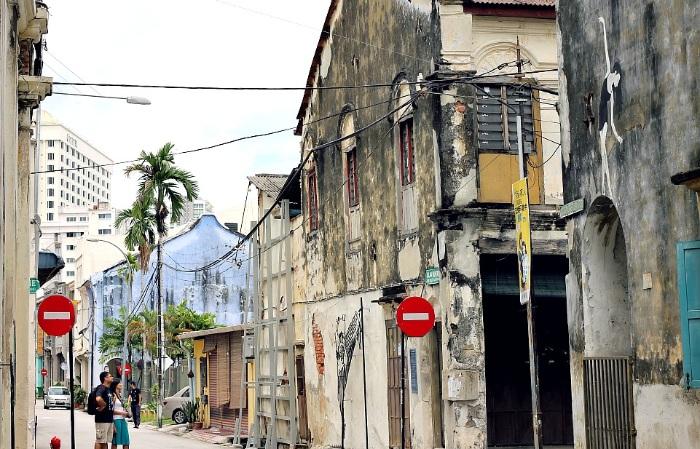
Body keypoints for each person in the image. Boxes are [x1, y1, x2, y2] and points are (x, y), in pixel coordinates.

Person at [94, 371, 115, 449]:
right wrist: (103, 405)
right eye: (110, 376)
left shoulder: (108, 389)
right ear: (105, 378)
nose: (112, 377)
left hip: (109, 419)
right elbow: (98, 398)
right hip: (102, 419)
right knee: (99, 441)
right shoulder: (101, 388)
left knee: (105, 441)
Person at [110, 378, 131, 449]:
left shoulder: (119, 395)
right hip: (116, 420)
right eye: (120, 383)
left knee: (126, 441)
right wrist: (121, 412)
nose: (121, 384)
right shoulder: (113, 395)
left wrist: (126, 411)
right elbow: (110, 410)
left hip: (122, 420)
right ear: (115, 385)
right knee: (115, 441)